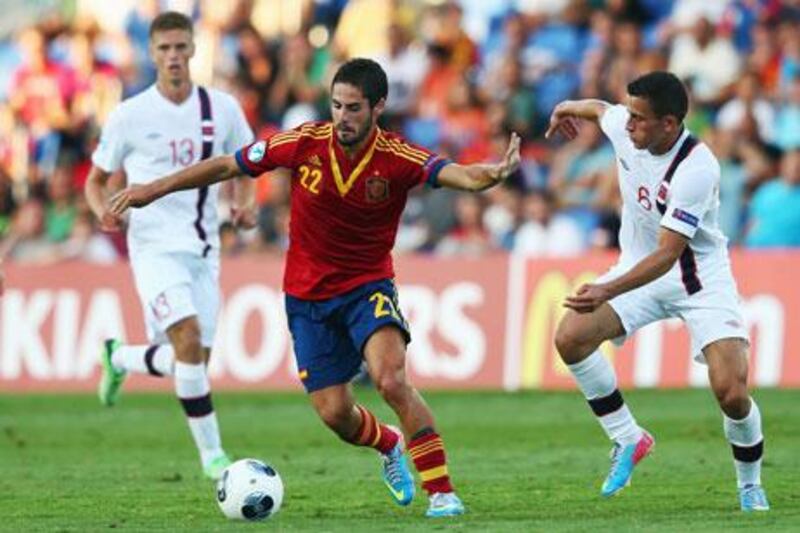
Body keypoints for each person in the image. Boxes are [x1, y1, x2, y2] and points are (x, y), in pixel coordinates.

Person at [107, 57, 521, 518]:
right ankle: (388, 445)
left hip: (368, 286)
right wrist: (154, 189)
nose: (342, 116)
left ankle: (442, 492)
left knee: (391, 379)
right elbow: (229, 165)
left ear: (378, 107)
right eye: (337, 105)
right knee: (335, 415)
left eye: (354, 108)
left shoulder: (398, 157)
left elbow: (459, 174)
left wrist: (492, 174)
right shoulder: (304, 142)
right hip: (306, 298)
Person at [545, 71, 769, 512]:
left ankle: (750, 484)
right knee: (570, 337)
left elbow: (668, 255)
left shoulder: (697, 168)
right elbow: (601, 111)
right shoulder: (626, 128)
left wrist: (605, 289)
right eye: (629, 114)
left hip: (698, 279)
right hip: (637, 266)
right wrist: (567, 107)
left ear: (669, 124)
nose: (628, 125)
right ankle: (628, 437)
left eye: (639, 119)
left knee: (731, 391)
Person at [84, 11, 257, 481]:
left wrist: (246, 204)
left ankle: (119, 356)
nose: (174, 57)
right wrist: (104, 209)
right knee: (184, 339)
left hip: (204, 248)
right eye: (165, 49)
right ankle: (214, 458)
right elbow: (95, 180)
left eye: (181, 47)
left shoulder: (222, 109)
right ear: (152, 53)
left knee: (193, 360)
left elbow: (245, 168)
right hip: (153, 247)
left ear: (194, 49)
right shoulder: (129, 115)